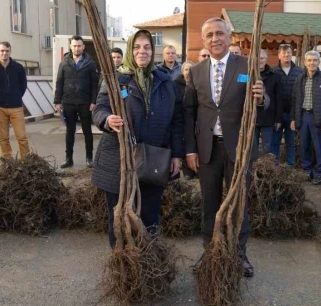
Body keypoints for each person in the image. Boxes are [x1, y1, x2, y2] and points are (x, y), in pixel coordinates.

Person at [184, 17, 268, 278]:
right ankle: (210, 252)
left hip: (239, 149)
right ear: (204, 40)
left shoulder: (247, 65)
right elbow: (189, 112)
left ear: (229, 37)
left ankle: (239, 254)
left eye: (220, 33)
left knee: (239, 203)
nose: (215, 39)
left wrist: (262, 98)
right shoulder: (196, 72)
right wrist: (190, 150)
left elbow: (263, 104)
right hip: (208, 150)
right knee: (210, 203)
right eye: (209, 35)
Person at [92, 30, 183, 247]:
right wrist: (107, 119)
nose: (142, 51)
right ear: (129, 50)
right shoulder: (115, 79)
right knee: (120, 212)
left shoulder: (165, 81)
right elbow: (99, 109)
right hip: (119, 159)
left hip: (153, 158)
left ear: (153, 51)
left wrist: (177, 154)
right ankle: (122, 261)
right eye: (137, 47)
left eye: (147, 47)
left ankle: (148, 260)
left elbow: (176, 120)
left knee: (150, 215)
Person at [54, 35, 99, 168]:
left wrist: (93, 101)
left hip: (85, 102)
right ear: (70, 46)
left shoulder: (90, 63)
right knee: (70, 131)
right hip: (68, 102)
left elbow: (94, 84)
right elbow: (59, 83)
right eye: (74, 45)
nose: (76, 48)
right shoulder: (64, 63)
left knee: (87, 131)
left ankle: (89, 158)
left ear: (83, 47)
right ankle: (69, 159)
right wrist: (57, 101)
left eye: (79, 45)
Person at [291, 50, 321, 184]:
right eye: (309, 60)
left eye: (314, 60)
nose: (312, 63)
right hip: (303, 116)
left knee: (319, 147)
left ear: (319, 62)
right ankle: (307, 171)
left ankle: (318, 173)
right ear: (305, 62)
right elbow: (294, 99)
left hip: (319, 118)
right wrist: (293, 118)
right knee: (304, 145)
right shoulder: (300, 79)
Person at [0, 42, 29, 158]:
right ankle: (8, 161)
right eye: (2, 51)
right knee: (3, 137)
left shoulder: (18, 67)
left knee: (21, 137)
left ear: (10, 52)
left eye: (7, 51)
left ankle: (27, 161)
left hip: (16, 107)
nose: (4, 53)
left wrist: (17, 96)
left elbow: (23, 85)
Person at [271, 44, 303, 166]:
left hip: (292, 113)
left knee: (291, 141)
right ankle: (275, 166)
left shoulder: (299, 71)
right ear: (279, 55)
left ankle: (290, 166)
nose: (286, 55)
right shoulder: (273, 71)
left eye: (289, 52)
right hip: (277, 113)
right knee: (275, 141)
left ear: (292, 54)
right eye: (283, 53)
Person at [255, 50, 282, 156]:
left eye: (262, 58)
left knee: (267, 147)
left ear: (266, 60)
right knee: (252, 147)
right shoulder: (247, 75)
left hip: (268, 117)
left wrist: (278, 118)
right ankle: (251, 169)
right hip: (252, 118)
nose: (259, 61)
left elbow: (279, 98)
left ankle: (266, 169)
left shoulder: (275, 76)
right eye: (257, 58)